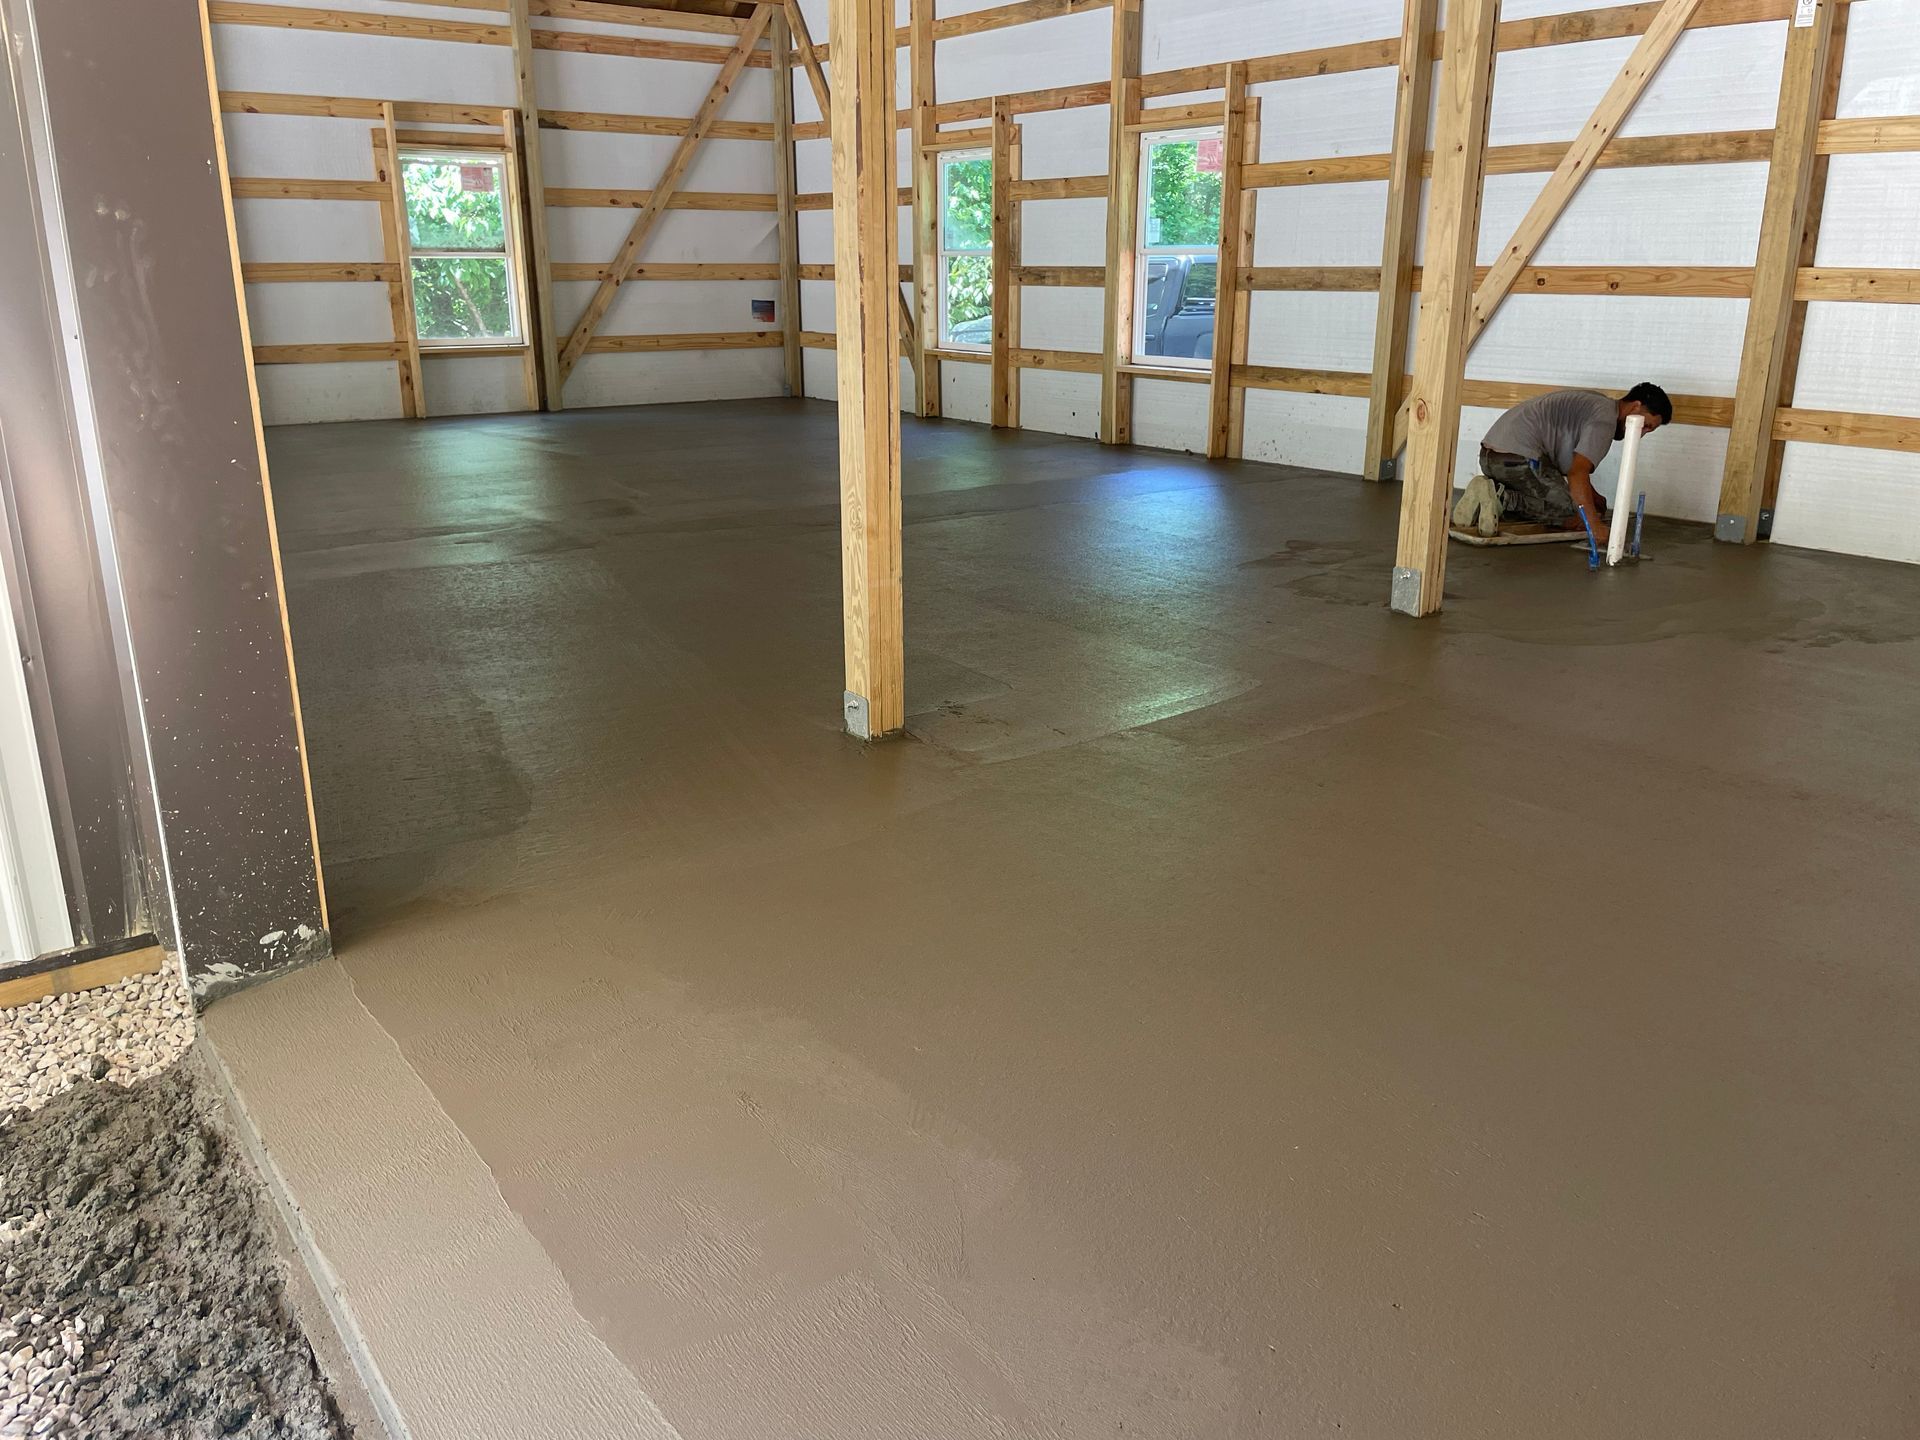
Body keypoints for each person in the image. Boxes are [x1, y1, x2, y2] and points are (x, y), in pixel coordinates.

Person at [1451, 383, 1672, 543]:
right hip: (1518, 460)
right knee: (1571, 513)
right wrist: (1594, 525)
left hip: (1491, 457)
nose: (1641, 434)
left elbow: (1569, 467)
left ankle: (1487, 499)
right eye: (1647, 426)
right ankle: (1501, 498)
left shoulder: (1596, 404)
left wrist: (1592, 497)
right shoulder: (1605, 420)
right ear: (1635, 407)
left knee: (1572, 504)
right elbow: (1577, 474)